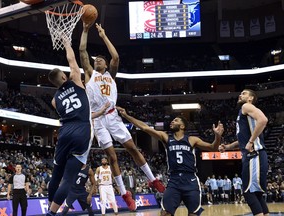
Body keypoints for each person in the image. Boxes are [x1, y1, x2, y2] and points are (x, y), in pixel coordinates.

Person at [79, 22, 165, 210]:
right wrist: (85, 30)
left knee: (133, 149)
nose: (97, 61)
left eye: (100, 60)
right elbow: (82, 51)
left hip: (113, 117)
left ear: (105, 64)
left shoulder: (111, 76)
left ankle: (153, 180)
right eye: (96, 60)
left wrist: (103, 35)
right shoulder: (90, 74)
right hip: (99, 120)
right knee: (112, 157)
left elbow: (116, 56)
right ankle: (125, 193)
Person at [117, 106, 224, 216]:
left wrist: (217, 136)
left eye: (176, 120)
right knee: (165, 213)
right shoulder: (166, 137)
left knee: (194, 214)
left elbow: (213, 148)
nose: (172, 122)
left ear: (182, 126)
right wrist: (126, 116)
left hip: (190, 180)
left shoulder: (192, 139)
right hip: (174, 180)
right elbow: (145, 128)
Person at [46, 37, 93, 216]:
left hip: (64, 132)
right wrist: (66, 43)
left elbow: (59, 104)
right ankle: (51, 213)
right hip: (81, 130)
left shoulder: (54, 100)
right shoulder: (75, 79)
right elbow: (72, 60)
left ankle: (51, 208)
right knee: (68, 179)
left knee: (56, 175)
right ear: (64, 76)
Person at [219, 89, 269, 216]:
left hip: (254, 154)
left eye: (244, 93)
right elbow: (242, 140)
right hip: (254, 155)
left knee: (248, 192)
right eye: (240, 93)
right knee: (256, 193)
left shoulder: (247, 106)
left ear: (250, 98)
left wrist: (251, 142)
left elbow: (263, 120)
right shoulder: (243, 113)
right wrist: (228, 146)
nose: (240, 95)